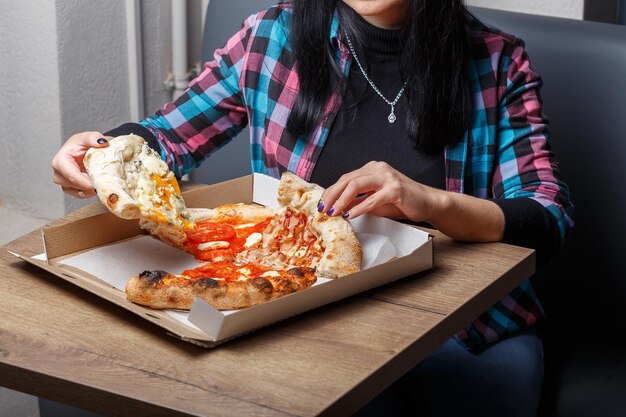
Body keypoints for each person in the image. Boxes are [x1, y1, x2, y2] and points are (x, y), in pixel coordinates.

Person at [51, 0, 574, 415]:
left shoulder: (498, 60)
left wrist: (429, 201)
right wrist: (99, 152)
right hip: (297, 319)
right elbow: (166, 137)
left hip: (464, 330)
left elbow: (547, 219)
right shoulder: (267, 37)